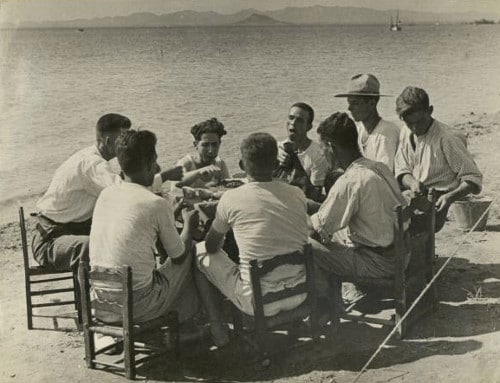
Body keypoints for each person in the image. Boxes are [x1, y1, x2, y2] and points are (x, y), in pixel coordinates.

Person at [32, 113, 182, 271]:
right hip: (51, 240)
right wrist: (165, 178)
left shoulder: (91, 157)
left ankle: (165, 267)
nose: (127, 141)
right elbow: (128, 192)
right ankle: (164, 270)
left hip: (72, 229)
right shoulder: (93, 164)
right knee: (101, 246)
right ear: (109, 141)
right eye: (123, 136)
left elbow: (128, 188)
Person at [88, 129, 203, 327]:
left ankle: (187, 317)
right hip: (137, 306)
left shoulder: (106, 194)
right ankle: (197, 318)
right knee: (192, 249)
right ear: (151, 165)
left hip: (101, 303)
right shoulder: (155, 203)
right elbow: (178, 256)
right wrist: (189, 225)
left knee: (157, 266)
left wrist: (171, 213)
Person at [195, 132, 311, 318]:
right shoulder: (296, 193)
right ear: (275, 165)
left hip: (259, 303)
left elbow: (211, 246)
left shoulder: (231, 198)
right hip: (300, 293)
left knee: (199, 250)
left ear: (242, 165)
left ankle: (216, 324)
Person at [310, 112, 409, 282]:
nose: (322, 155)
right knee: (333, 229)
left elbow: (316, 230)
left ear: (332, 147)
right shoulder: (378, 167)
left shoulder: (350, 181)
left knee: (306, 246)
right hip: (401, 254)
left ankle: (331, 302)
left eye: (322, 149)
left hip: (379, 263)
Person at [394, 86, 483, 232]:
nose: (415, 128)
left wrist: (450, 197)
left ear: (430, 110)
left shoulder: (447, 138)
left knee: (390, 228)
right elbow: (401, 169)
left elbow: (473, 178)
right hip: (414, 194)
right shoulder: (405, 131)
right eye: (410, 123)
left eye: (420, 122)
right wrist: (412, 183)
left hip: (437, 204)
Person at [335, 73, 400, 172]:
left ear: (372, 103)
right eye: (349, 103)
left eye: (355, 103)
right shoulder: (358, 129)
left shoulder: (387, 132)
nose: (349, 108)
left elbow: (385, 174)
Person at [276, 102, 330, 201]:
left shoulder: (317, 155)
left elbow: (314, 196)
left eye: (300, 120)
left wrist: (293, 166)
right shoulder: (278, 148)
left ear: (308, 127)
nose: (293, 123)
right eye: (291, 118)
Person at [173, 118, 230, 190]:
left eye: (214, 145)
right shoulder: (186, 163)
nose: (210, 150)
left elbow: (228, 191)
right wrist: (199, 172)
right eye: (205, 145)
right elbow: (174, 185)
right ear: (196, 144)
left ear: (219, 144)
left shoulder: (220, 165)